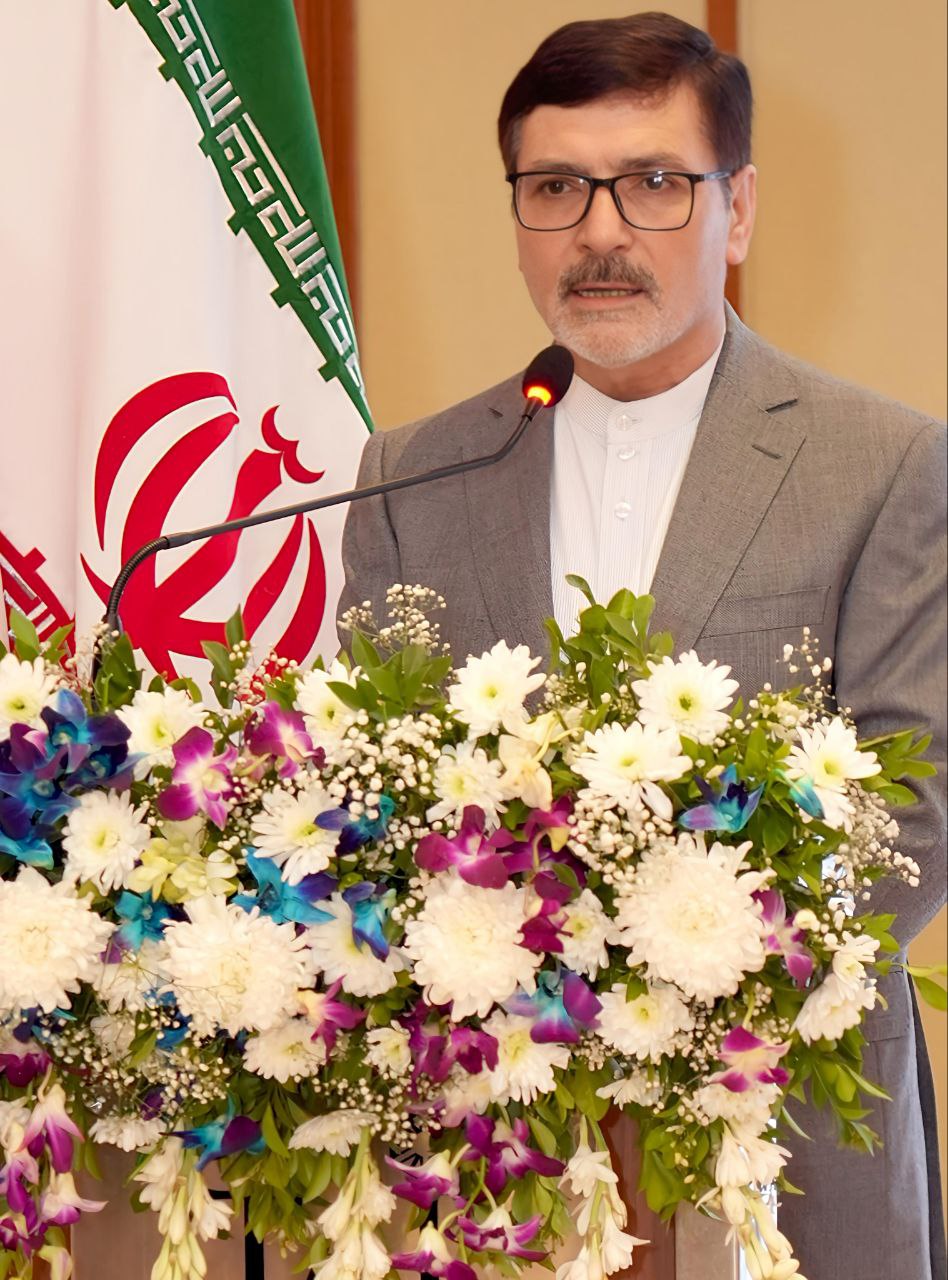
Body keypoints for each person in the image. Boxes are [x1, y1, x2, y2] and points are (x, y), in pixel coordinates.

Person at [338, 13, 947, 1280]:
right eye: (555, 187)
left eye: (655, 183)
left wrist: (651, 995)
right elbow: (367, 806)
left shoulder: (883, 463)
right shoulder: (413, 474)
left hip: (787, 1135)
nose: (600, 231)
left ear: (739, 210)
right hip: (482, 1145)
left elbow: (918, 806)